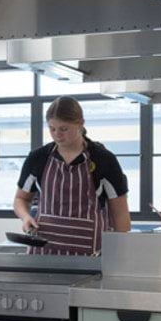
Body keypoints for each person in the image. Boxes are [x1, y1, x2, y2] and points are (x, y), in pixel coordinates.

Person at [13, 97, 132, 255]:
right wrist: (26, 217)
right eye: (52, 129)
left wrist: (119, 253)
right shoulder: (38, 158)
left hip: (90, 254)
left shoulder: (103, 159)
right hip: (44, 253)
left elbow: (120, 213)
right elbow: (21, 199)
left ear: (80, 123)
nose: (57, 135)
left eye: (64, 129)